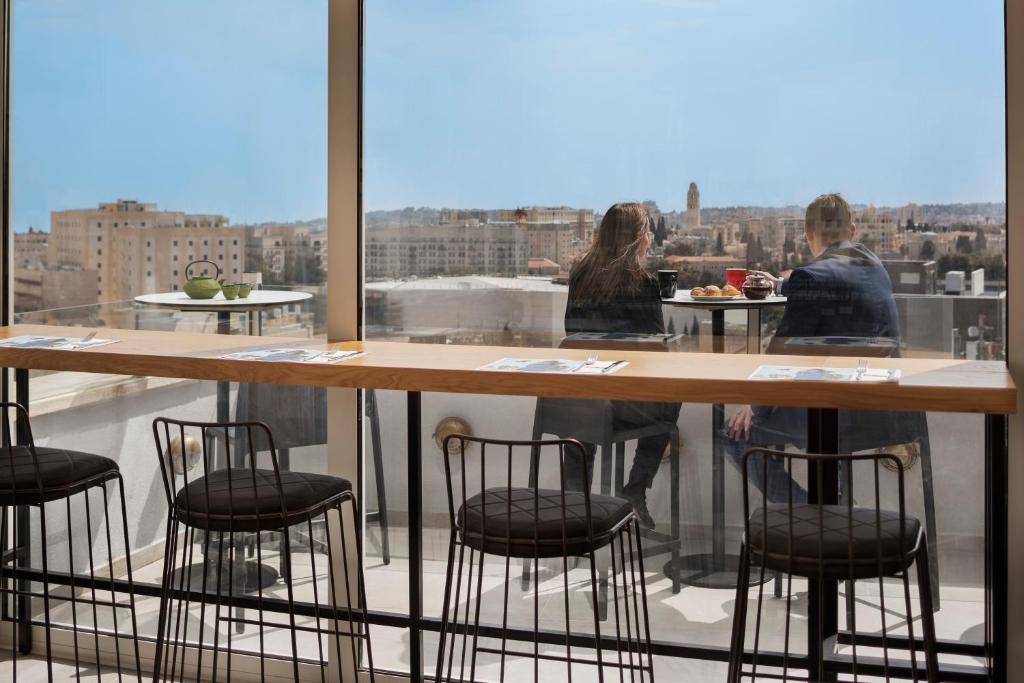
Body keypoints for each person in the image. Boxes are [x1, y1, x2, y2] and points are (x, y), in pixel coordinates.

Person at [723, 193, 904, 501]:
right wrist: (781, 285)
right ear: (853, 232)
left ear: (807, 232)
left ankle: (813, 514)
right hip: (886, 410)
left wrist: (755, 405)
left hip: (837, 414)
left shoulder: (812, 277)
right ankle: (833, 506)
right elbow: (831, 282)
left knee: (734, 435)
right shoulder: (875, 267)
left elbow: (783, 355)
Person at [563, 202, 682, 528]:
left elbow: (571, 335)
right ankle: (635, 488)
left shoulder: (580, 278)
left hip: (577, 405)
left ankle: (575, 507)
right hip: (624, 409)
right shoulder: (641, 285)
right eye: (645, 234)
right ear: (638, 238)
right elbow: (656, 351)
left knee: (580, 424)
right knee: (674, 393)